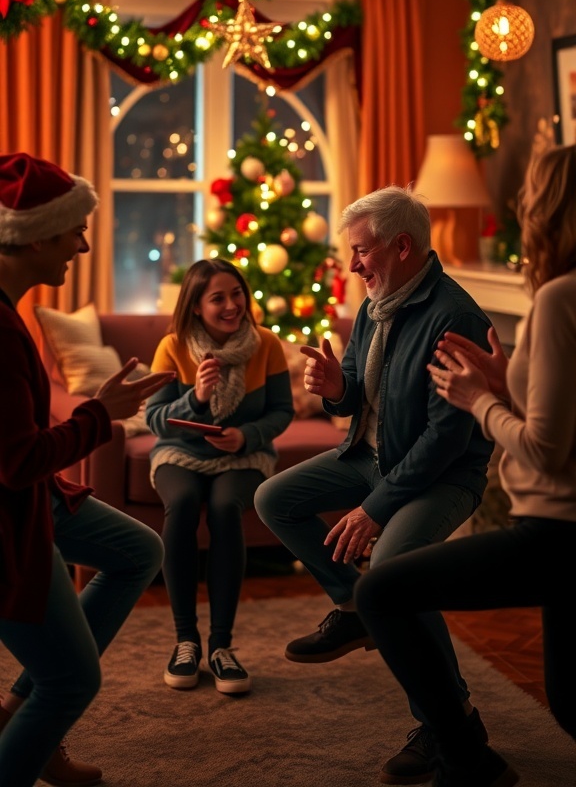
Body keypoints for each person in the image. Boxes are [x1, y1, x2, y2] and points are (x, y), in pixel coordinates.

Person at [254, 184, 495, 784]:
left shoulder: (454, 316)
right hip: (372, 455)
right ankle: (352, 604)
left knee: (392, 568)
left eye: (362, 252)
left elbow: (445, 439)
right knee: (273, 498)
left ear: (402, 246)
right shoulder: (374, 305)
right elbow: (358, 400)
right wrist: (337, 386)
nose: (354, 264)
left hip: (441, 474)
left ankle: (447, 720)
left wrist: (374, 509)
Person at [354, 144, 576, 787]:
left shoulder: (558, 299)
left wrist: (479, 401)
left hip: (554, 528)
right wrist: (508, 386)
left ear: (551, 207)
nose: (521, 205)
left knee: (382, 591)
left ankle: (467, 759)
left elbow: (542, 450)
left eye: (532, 193)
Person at [0, 152, 176, 787]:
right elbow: (17, 463)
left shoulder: (9, 313)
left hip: (30, 495)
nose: (81, 243)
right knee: (73, 678)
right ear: (38, 234)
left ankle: (22, 718)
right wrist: (101, 416)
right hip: (10, 511)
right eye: (74, 229)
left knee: (137, 549)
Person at [146, 257, 294, 696]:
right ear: (195, 305)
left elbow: (282, 411)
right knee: (185, 503)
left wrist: (246, 435)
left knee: (226, 507)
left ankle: (221, 646)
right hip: (179, 452)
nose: (232, 305)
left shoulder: (266, 343)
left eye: (237, 294)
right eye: (218, 298)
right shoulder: (172, 346)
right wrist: (196, 398)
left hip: (243, 456)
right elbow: (155, 419)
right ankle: (185, 640)